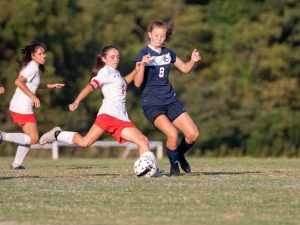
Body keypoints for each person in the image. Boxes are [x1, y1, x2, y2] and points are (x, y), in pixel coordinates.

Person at [39, 45, 164, 176]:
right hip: (108, 116)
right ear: (104, 59)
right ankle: (57, 134)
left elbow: (124, 83)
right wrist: (77, 101)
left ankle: (151, 170)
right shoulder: (105, 72)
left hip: (121, 118)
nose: (116, 59)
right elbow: (90, 86)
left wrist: (136, 69)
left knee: (142, 140)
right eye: (112, 57)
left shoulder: (116, 72)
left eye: (118, 57)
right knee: (84, 142)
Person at [134, 20, 201, 176]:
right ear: (150, 35)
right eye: (156, 35)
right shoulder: (143, 54)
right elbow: (137, 83)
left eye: (162, 35)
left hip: (170, 101)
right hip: (152, 104)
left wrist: (193, 60)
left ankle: (179, 153)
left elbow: (184, 68)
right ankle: (174, 169)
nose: (159, 38)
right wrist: (142, 65)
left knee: (193, 135)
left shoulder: (168, 53)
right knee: (172, 134)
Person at [0, 41, 65, 169]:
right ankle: (2, 136)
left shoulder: (33, 66)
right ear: (33, 55)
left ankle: (17, 164)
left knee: (28, 138)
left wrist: (50, 85)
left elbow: (32, 84)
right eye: (40, 54)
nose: (44, 56)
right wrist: (33, 96)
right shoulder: (32, 67)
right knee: (34, 139)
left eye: (44, 53)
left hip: (20, 106)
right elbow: (18, 82)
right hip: (22, 106)